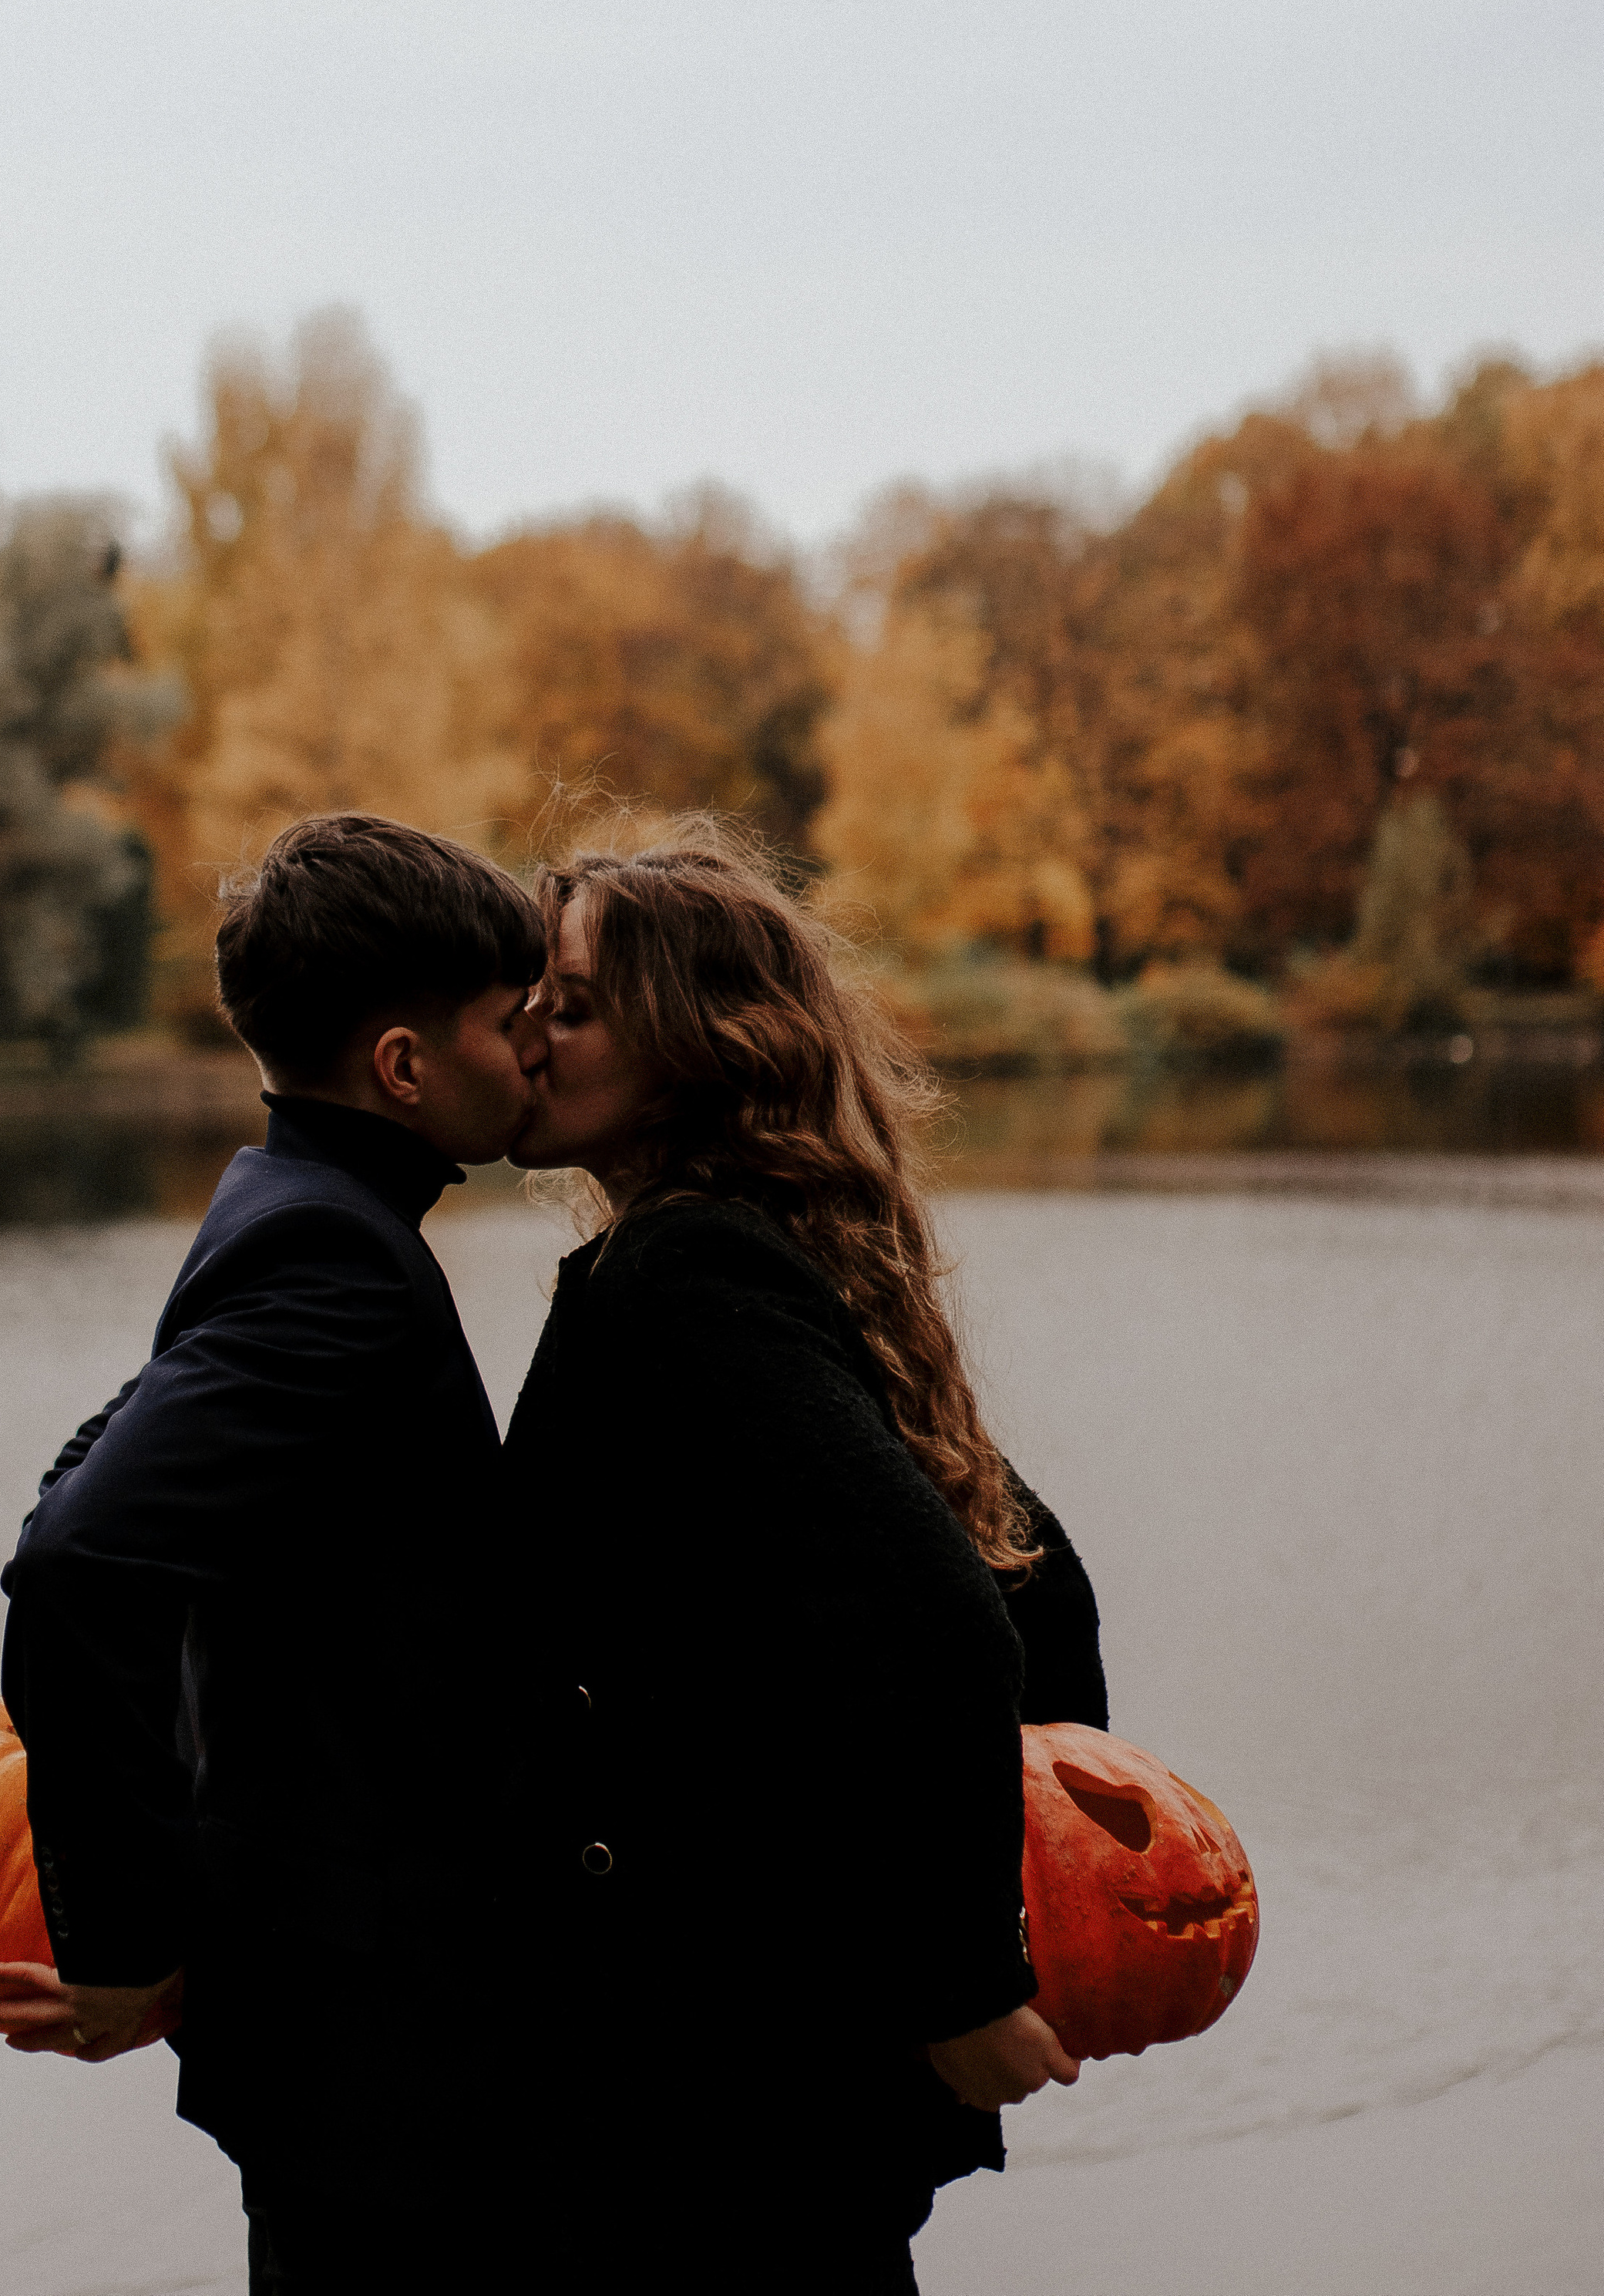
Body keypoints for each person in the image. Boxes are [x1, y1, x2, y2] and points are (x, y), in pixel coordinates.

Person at [499, 827, 1110, 2294]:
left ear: (695, 1047)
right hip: (791, 2075)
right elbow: (1042, 1587)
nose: (530, 1036)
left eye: (573, 1006)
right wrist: (1026, 1874)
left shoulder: (684, 1277)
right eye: (532, 1002)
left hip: (728, 2094)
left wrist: (963, 1982)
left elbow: (949, 1614)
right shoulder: (782, 1252)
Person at [0, 813, 549, 2294]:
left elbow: (86, 1485)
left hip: (345, 2033)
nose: (535, 1049)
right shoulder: (337, 1259)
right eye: (510, 1020)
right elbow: (82, 1564)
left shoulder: (291, 1207)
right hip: (376, 2049)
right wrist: (122, 1938)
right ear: (404, 1065)